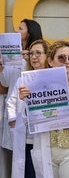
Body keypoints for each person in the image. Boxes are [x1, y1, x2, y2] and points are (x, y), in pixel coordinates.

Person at [18, 40, 69, 178]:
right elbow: (28, 122)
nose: (67, 61)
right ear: (50, 61)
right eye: (61, 57)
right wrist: (25, 102)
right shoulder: (36, 86)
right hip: (47, 149)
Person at [0, 18, 43, 177]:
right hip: (15, 110)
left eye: (20, 28)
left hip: (32, 117)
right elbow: (6, 82)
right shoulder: (11, 54)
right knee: (18, 162)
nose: (17, 31)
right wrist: (1, 66)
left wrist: (28, 61)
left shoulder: (37, 56)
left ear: (29, 32)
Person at [7, 39, 50, 178]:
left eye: (38, 53)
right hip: (25, 140)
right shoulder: (22, 80)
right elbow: (11, 102)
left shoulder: (54, 80)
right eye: (31, 53)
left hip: (45, 140)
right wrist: (13, 121)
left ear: (48, 56)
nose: (34, 57)